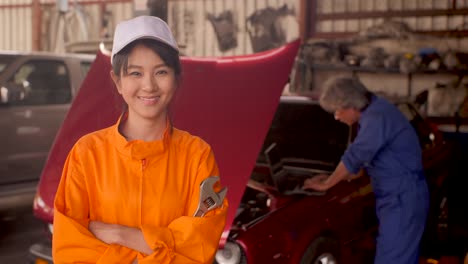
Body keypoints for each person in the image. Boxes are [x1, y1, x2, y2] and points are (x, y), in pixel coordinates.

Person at [52, 16, 228, 263]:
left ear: (176, 79)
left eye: (161, 72)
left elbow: (199, 247)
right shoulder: (86, 154)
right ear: (118, 82)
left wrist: (120, 234)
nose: (148, 85)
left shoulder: (197, 155)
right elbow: (69, 250)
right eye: (135, 72)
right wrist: (160, 251)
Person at [303, 76, 429, 264]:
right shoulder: (375, 110)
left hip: (402, 197)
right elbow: (364, 165)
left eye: (337, 110)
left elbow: (355, 155)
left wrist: (327, 184)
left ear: (352, 105)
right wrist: (333, 176)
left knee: (393, 259)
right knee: (397, 254)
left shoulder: (377, 118)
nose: (336, 117)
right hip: (397, 196)